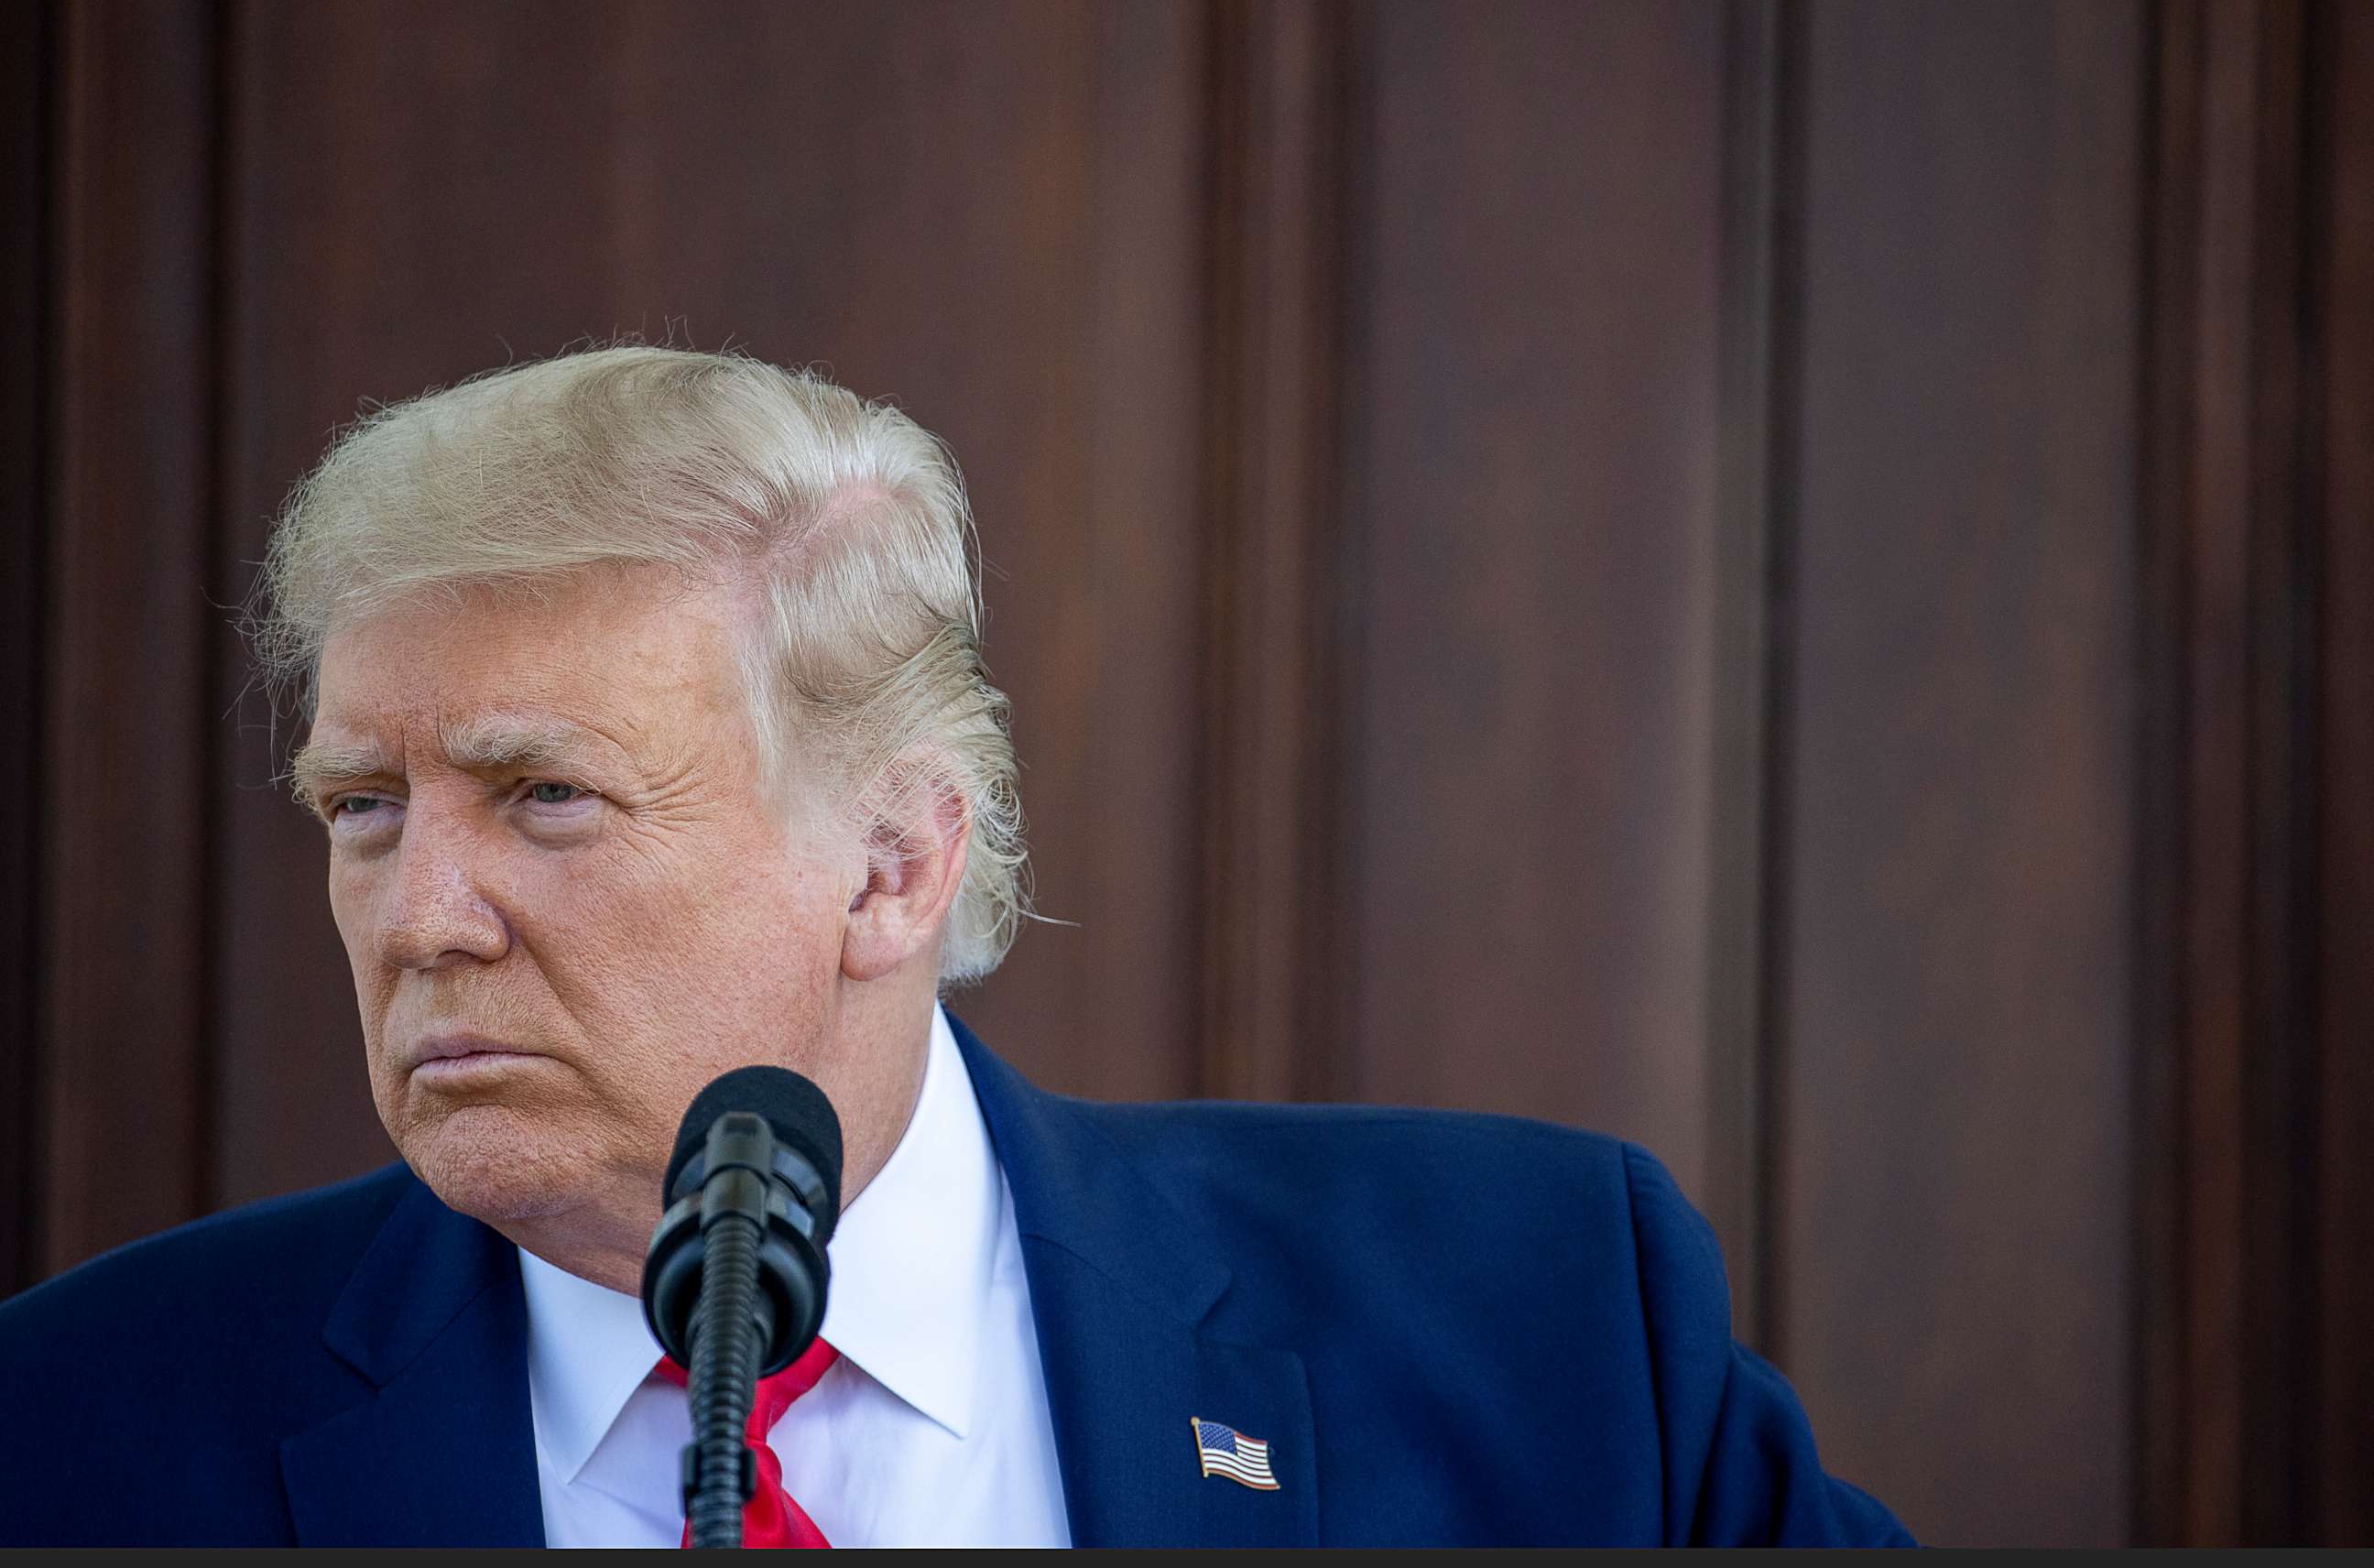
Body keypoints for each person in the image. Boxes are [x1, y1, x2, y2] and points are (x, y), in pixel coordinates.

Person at [0, 348, 1910, 1547]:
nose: (422, 916)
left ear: (896, 864)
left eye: (546, 798)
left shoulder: (1538, 1318)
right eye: (364, 808)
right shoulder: (80, 1425)